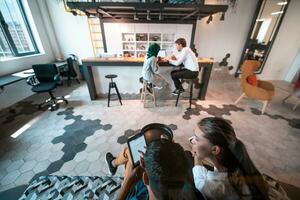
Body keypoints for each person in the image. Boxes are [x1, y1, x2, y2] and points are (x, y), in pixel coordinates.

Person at [106, 127, 198, 200]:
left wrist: (127, 182)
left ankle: (113, 163)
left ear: (145, 178)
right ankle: (113, 163)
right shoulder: (191, 190)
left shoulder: (134, 197)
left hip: (136, 188)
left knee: (130, 154)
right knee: (130, 154)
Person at [190, 117, 269, 200]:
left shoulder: (218, 187)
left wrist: (197, 157)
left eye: (197, 139)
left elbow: (200, 185)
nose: (192, 141)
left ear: (215, 149)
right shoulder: (237, 161)